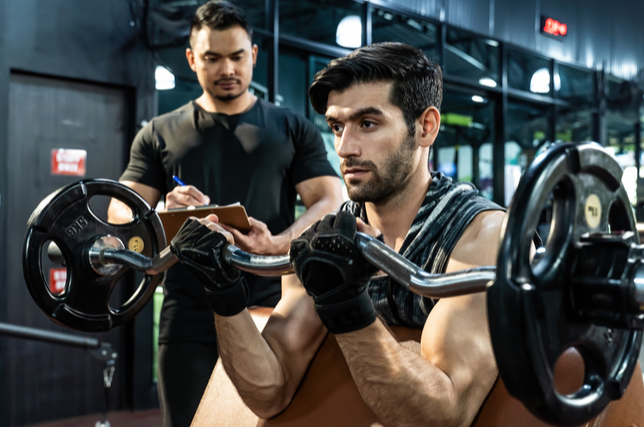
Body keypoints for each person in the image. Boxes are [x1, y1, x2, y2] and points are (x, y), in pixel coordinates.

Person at [170, 42, 507, 426]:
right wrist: (225, 295)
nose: (344, 148)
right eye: (336, 126)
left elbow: (445, 414)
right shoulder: (327, 238)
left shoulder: (481, 238)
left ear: (425, 127)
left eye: (368, 123)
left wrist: (345, 304)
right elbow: (269, 391)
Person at [107, 2, 343, 426]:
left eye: (236, 56)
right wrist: (160, 210)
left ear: (253, 55)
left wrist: (276, 243)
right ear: (192, 59)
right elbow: (120, 214)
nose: (227, 68)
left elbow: (330, 199)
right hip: (189, 317)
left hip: (272, 311)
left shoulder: (291, 128)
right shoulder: (159, 134)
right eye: (213, 58)